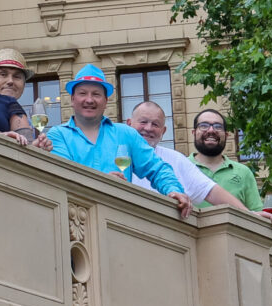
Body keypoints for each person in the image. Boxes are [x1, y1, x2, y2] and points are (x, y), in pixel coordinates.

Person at [47, 64, 192, 218]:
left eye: (96, 94)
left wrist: (173, 190)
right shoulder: (57, 135)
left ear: (105, 100)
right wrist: (104, 182)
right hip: (75, 221)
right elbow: (64, 179)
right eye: (83, 93)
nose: (89, 99)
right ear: (72, 99)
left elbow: (157, 168)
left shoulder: (126, 133)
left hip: (119, 222)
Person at [128, 102, 272, 229]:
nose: (148, 128)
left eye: (155, 124)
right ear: (129, 123)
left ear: (163, 130)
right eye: (143, 122)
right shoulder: (112, 149)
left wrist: (250, 215)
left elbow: (209, 191)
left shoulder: (176, 160)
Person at [188, 108, 267, 213]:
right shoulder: (180, 167)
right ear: (194, 132)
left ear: (226, 135)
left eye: (218, 126)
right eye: (204, 126)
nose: (211, 130)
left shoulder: (243, 172)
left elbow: (257, 217)